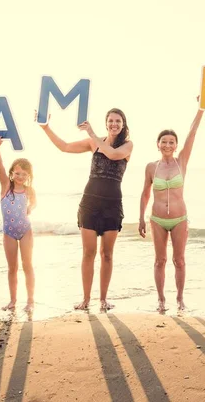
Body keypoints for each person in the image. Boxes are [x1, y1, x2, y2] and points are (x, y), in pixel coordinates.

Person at [37, 109, 133, 310]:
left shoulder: (127, 145)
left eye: (118, 121)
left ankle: (103, 300)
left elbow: (113, 154)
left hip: (112, 204)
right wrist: (46, 127)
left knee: (107, 254)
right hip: (90, 203)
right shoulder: (93, 143)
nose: (114, 124)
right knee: (88, 253)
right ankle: (86, 300)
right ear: (106, 123)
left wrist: (92, 134)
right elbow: (64, 147)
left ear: (123, 124)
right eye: (111, 120)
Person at [139, 101, 205, 312]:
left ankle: (179, 298)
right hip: (157, 219)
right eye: (164, 141)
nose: (168, 145)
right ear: (157, 144)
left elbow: (192, 134)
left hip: (179, 218)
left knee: (179, 260)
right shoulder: (151, 167)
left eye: (171, 142)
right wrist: (141, 218)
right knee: (160, 260)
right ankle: (160, 299)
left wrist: (201, 109)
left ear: (176, 145)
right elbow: (145, 193)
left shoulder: (181, 162)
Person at [0, 137, 36, 313]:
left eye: (24, 174)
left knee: (27, 265)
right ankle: (12, 301)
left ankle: (31, 301)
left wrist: (30, 208)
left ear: (28, 176)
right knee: (13, 267)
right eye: (17, 173)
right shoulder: (6, 186)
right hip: (9, 233)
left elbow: (34, 203)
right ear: (12, 173)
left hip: (26, 231)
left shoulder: (29, 190)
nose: (20, 177)